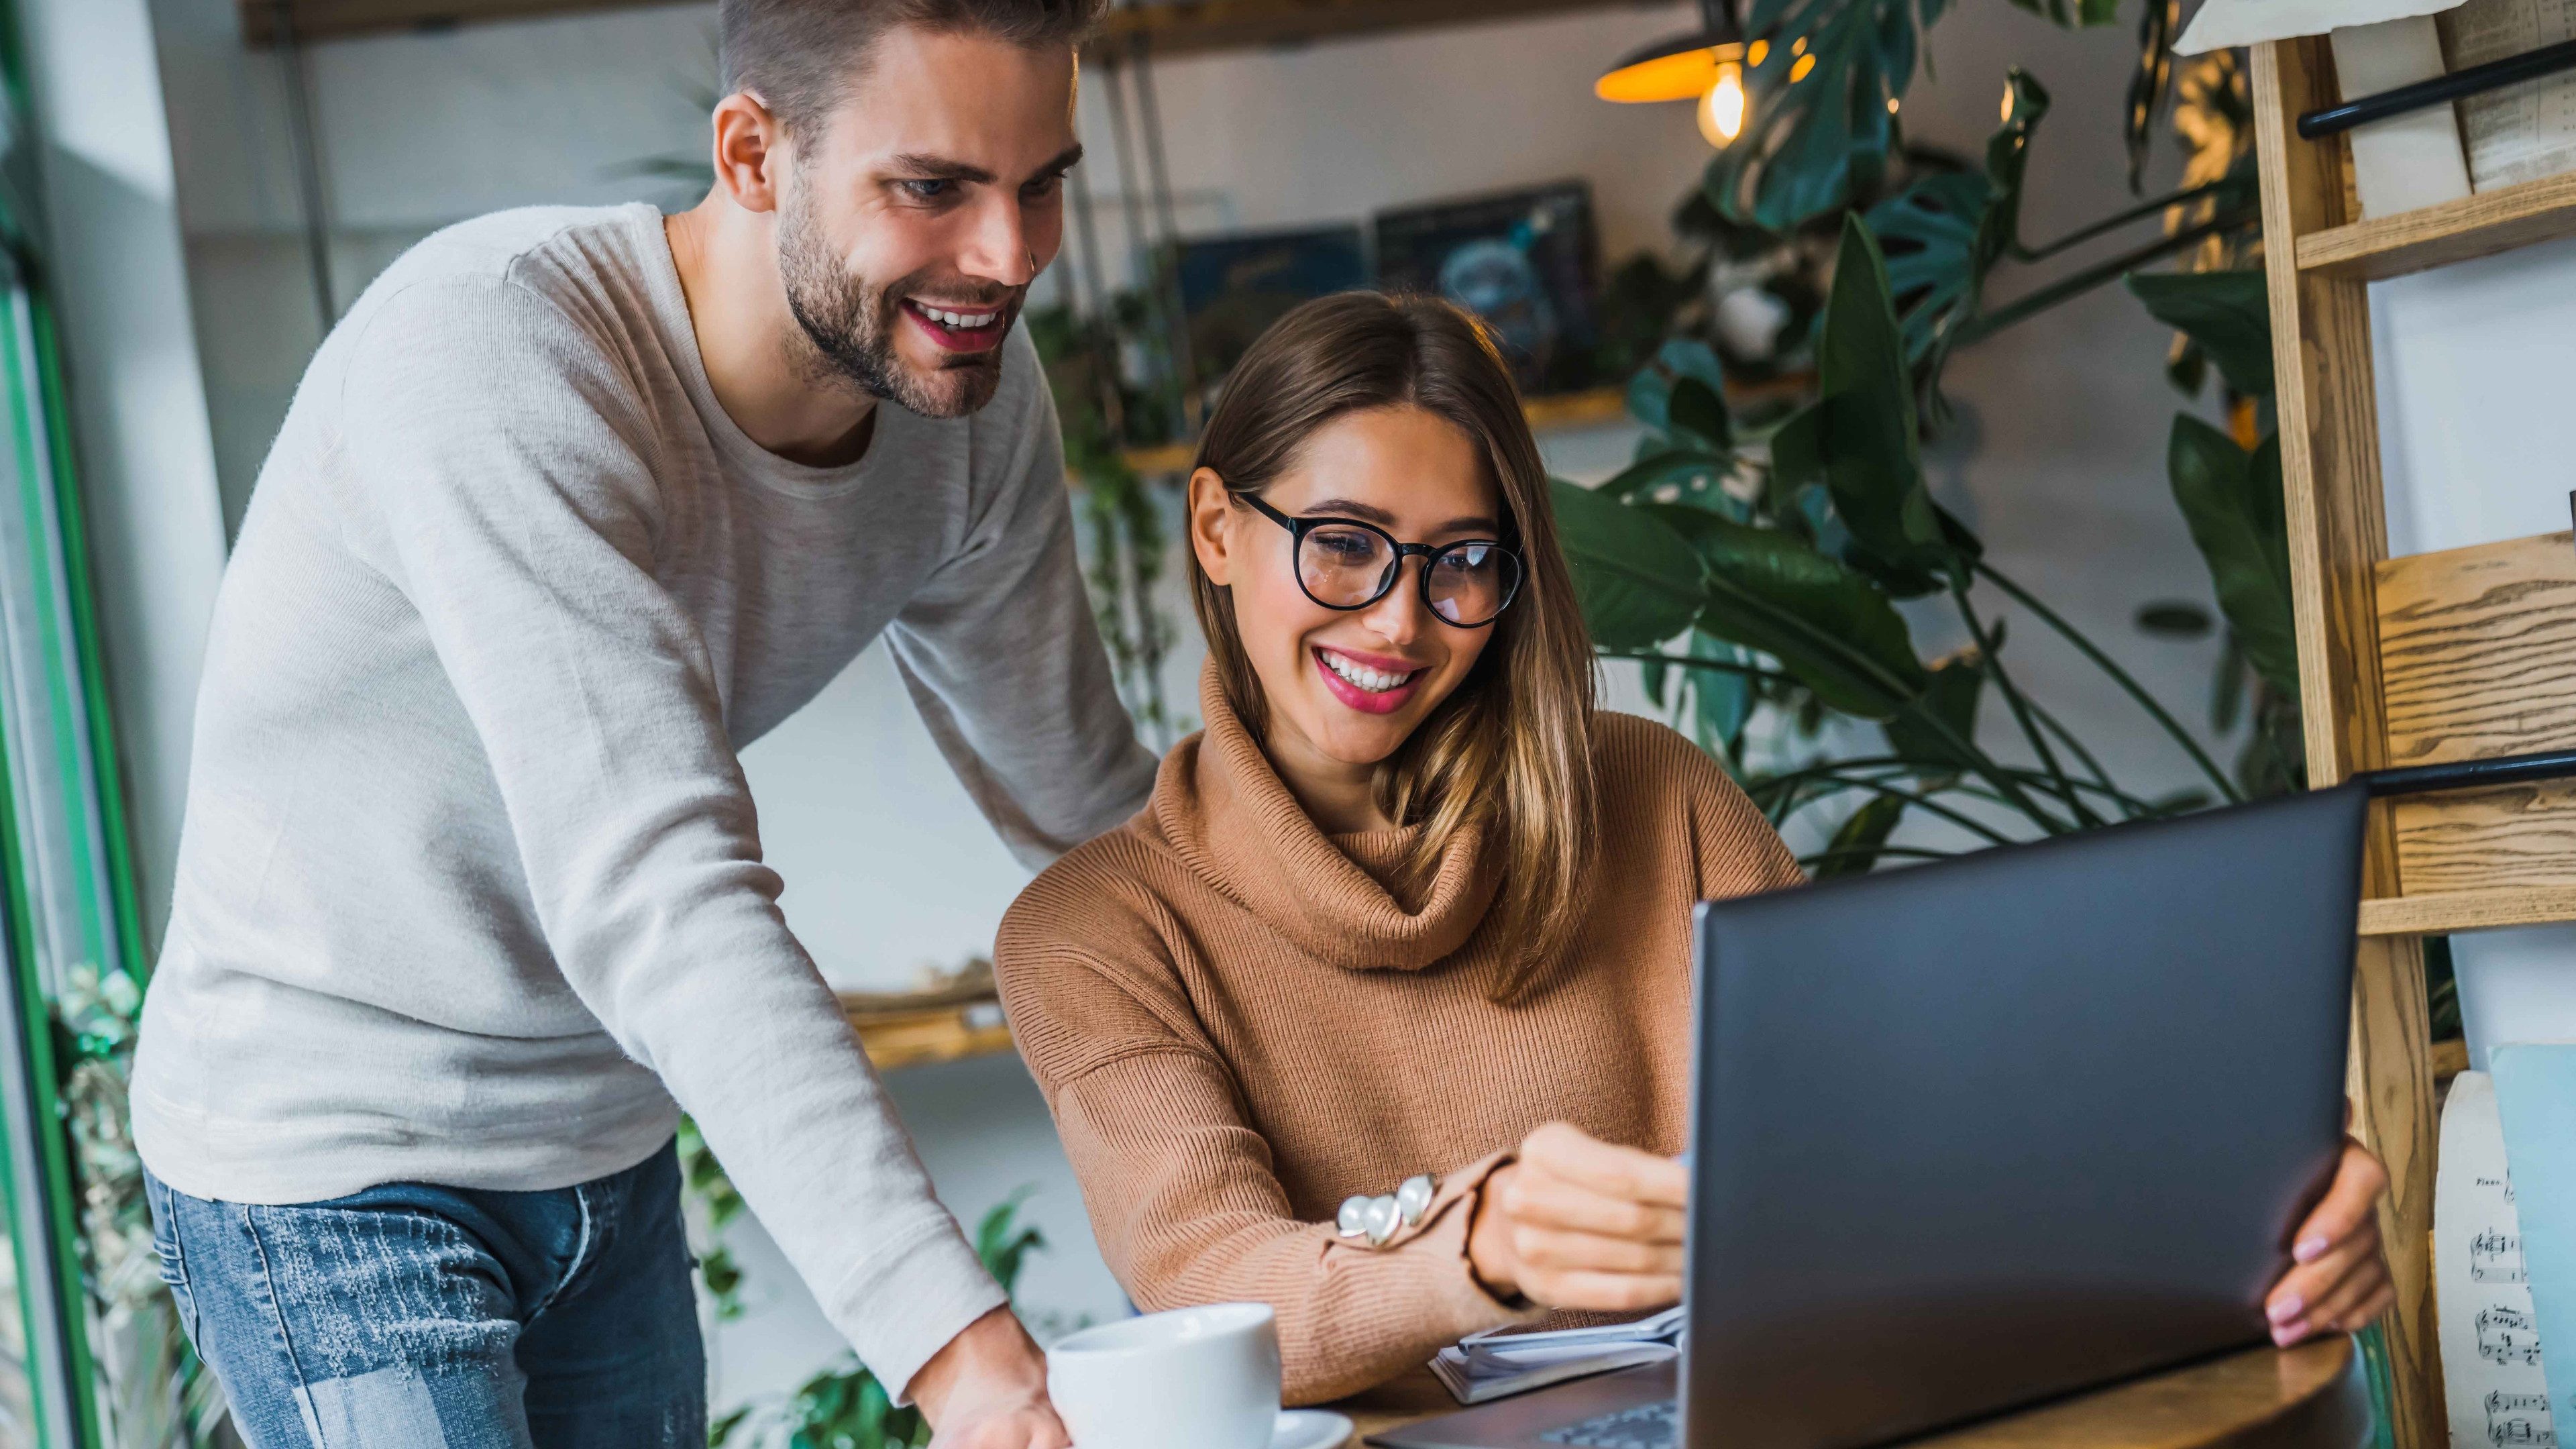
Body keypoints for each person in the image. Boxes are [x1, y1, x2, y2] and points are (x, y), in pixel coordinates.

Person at [991, 292, 2396, 1407]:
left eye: (1464, 562)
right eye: (1347, 546)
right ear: (1219, 529)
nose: (1400, 624)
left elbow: (1894, 1145)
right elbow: (1212, 1292)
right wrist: (1474, 1249)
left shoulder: (1651, 793)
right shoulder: (1097, 935)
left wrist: (2246, 1204)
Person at [129, 2, 1144, 1444]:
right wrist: (962, 1356)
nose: (1009, 256)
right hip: (329, 1160)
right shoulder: (497, 351)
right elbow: (659, 883)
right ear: (751, 153)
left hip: (603, 1136)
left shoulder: (966, 402)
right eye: (932, 188)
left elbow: (1085, 803)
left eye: (1041, 180)